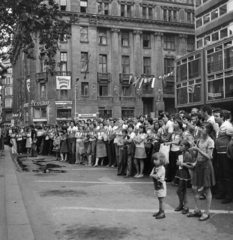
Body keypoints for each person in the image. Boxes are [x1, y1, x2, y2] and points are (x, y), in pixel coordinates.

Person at [187, 122, 215, 221]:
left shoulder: (210, 141)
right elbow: (197, 154)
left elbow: (209, 156)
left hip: (206, 166)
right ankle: (197, 210)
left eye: (202, 128)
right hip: (198, 165)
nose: (200, 129)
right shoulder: (199, 140)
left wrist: (197, 149)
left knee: (207, 189)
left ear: (208, 130)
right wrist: (192, 147)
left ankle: (207, 212)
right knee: (194, 187)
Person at [174, 140, 193, 214]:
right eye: (180, 145)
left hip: (185, 174)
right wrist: (178, 163)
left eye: (182, 145)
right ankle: (185, 206)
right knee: (183, 190)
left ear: (186, 147)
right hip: (180, 173)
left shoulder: (188, 155)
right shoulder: (181, 154)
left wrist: (183, 164)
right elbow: (179, 163)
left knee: (179, 191)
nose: (180, 147)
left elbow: (191, 166)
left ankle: (182, 205)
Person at [150, 152, 168, 219]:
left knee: (161, 200)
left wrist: (153, 175)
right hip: (156, 185)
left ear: (161, 160)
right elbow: (151, 175)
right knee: (159, 199)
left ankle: (162, 212)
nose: (154, 161)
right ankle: (160, 211)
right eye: (154, 160)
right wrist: (153, 175)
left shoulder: (162, 168)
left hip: (161, 186)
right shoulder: (155, 168)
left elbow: (156, 176)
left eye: (156, 160)